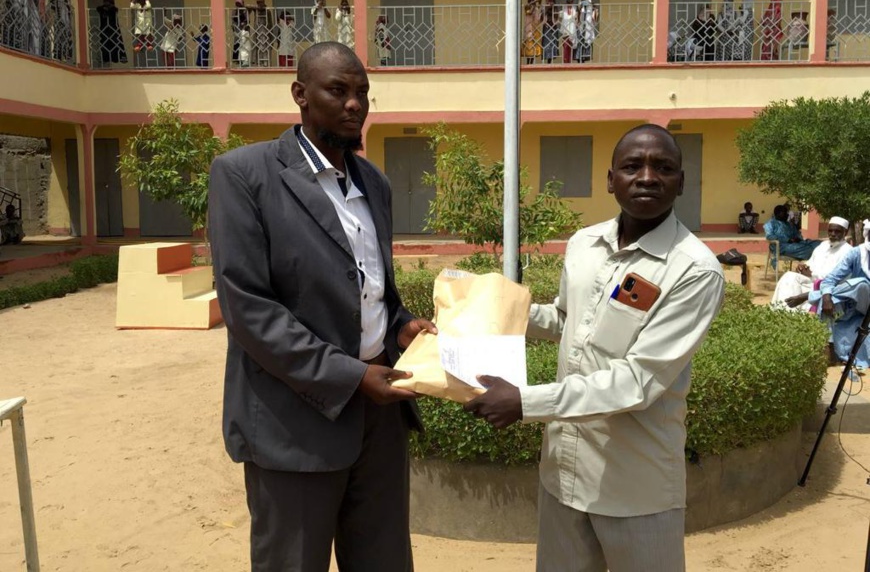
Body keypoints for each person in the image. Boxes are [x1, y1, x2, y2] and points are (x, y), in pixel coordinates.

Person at [208, 42, 437, 572]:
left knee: (383, 561)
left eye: (362, 93)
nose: (354, 104)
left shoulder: (372, 183)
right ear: (301, 95)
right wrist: (353, 376)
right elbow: (250, 310)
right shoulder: (244, 175)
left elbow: (375, 289)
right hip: (295, 423)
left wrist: (402, 329)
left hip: (379, 421)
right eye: (338, 90)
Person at [464, 124, 725, 572]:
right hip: (564, 473)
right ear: (610, 179)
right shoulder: (585, 243)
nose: (647, 177)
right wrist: (488, 312)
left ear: (681, 182)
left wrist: (525, 402)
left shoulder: (695, 270)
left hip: (635, 487)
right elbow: (569, 321)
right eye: (632, 166)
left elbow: (638, 381)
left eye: (663, 167)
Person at [815, 219, 870, 371]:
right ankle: (830, 348)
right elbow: (830, 279)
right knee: (830, 297)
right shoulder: (856, 253)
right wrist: (826, 297)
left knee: (860, 284)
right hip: (859, 302)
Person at [771, 217, 852, 310]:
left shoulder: (848, 252)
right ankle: (781, 311)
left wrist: (812, 274)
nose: (833, 234)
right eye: (830, 231)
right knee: (789, 276)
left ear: (845, 232)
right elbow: (810, 262)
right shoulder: (823, 245)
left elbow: (836, 278)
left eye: (837, 231)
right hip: (810, 281)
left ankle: (788, 313)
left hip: (826, 289)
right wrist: (803, 267)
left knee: (791, 285)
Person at [95, 0, 127, 65]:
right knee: (105, 44)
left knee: (116, 43)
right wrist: (104, 7)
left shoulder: (113, 9)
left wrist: (108, 8)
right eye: (105, 2)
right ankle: (106, 58)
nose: (106, 4)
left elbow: (115, 9)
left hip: (113, 30)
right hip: (104, 30)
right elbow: (98, 8)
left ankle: (119, 58)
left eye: (108, 2)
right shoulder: (102, 10)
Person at [522, 0, 542, 64]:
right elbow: (529, 12)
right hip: (529, 29)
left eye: (533, 0)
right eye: (530, 0)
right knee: (529, 47)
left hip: (535, 29)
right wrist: (534, 4)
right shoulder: (527, 7)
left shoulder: (536, 9)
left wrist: (539, 7)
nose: (532, 2)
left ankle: (531, 63)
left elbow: (538, 20)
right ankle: (528, 63)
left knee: (534, 47)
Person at [559, 0, 578, 64]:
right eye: (569, 0)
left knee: (571, 47)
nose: (570, 1)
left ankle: (570, 62)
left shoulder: (574, 8)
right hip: (565, 29)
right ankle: (565, 61)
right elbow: (561, 17)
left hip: (572, 29)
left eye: (572, 0)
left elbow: (575, 17)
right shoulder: (563, 8)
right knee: (566, 46)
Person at [542, 0, 558, 64]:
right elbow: (542, 15)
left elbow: (557, 16)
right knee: (547, 43)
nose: (551, 0)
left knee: (552, 43)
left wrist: (553, 7)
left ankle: (550, 60)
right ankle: (546, 59)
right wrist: (548, 7)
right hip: (547, 27)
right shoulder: (545, 6)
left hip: (553, 27)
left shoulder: (555, 7)